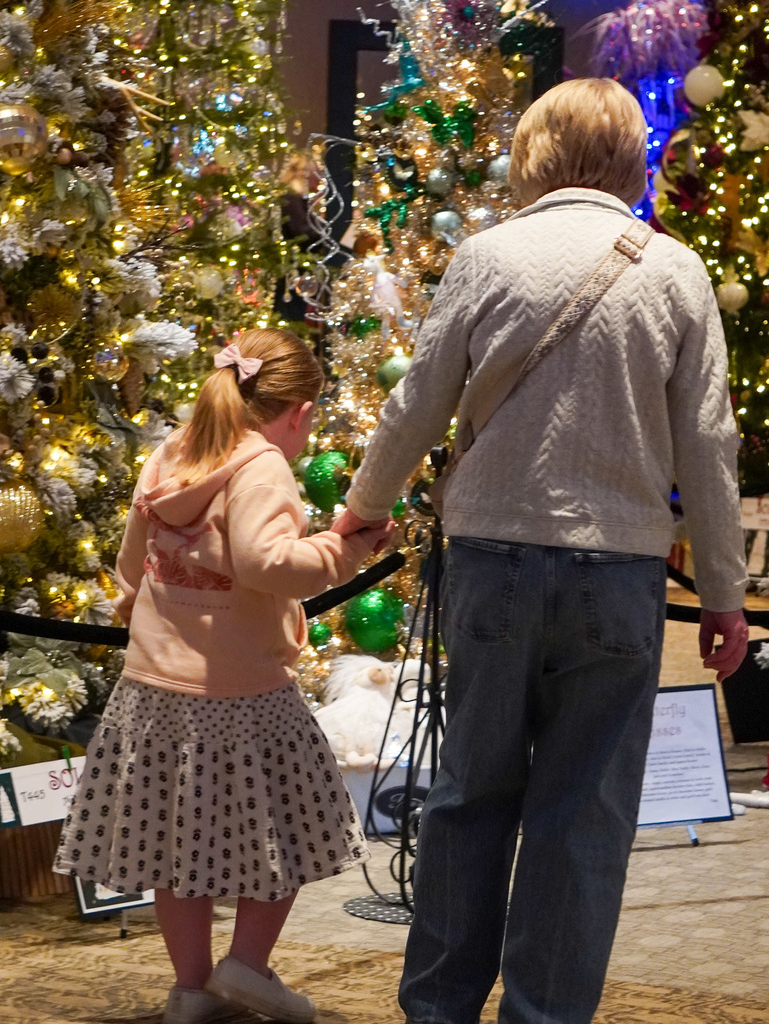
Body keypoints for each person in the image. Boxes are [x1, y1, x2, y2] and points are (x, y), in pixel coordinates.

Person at [331, 78, 749, 1024]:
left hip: (490, 560)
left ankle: (436, 1010)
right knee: (585, 815)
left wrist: (361, 510)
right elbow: (709, 447)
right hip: (621, 570)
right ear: (628, 156)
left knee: (469, 792)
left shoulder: (486, 258)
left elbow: (416, 405)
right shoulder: (677, 273)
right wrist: (723, 594)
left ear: (535, 152)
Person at [55, 328, 393, 1024]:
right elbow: (267, 563)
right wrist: (341, 548)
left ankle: (192, 989)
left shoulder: (175, 451)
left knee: (174, 845)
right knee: (289, 830)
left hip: (154, 689)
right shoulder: (261, 466)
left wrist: (146, 611)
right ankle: (247, 966)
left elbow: (130, 560)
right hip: (243, 692)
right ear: (298, 412)